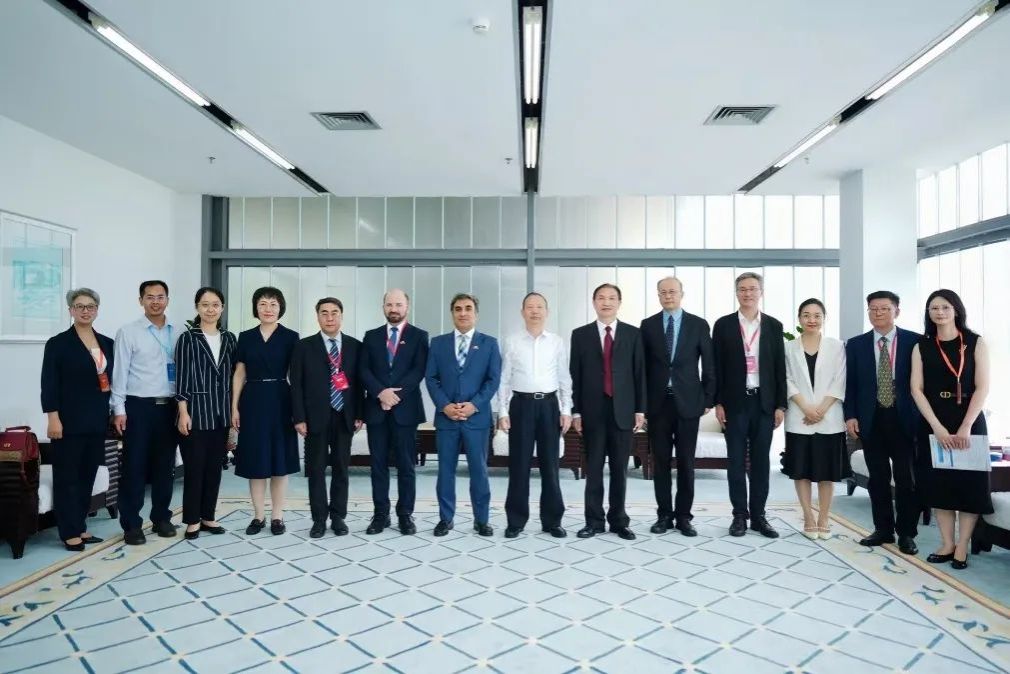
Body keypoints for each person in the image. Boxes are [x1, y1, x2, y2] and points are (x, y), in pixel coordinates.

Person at [911, 289, 992, 570]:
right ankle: (946, 543)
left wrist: (966, 426)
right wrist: (937, 428)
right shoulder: (922, 346)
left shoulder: (974, 342)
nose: (940, 312)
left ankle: (962, 545)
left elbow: (982, 387)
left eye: (945, 307)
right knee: (940, 485)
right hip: (935, 420)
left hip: (969, 419)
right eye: (934, 308)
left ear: (956, 310)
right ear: (928, 313)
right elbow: (916, 389)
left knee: (969, 486)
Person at [843, 290, 922, 555]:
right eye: (873, 309)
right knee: (877, 478)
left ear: (896, 311)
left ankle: (907, 533)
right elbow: (850, 384)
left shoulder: (915, 341)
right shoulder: (856, 344)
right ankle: (883, 529)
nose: (878, 313)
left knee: (906, 479)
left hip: (905, 419)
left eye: (884, 308)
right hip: (871, 418)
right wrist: (850, 415)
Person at [712, 272, 787, 539]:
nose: (747, 293)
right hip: (735, 402)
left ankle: (759, 516)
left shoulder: (774, 326)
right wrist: (718, 401)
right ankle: (739, 516)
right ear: (736, 293)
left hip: (764, 402)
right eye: (742, 289)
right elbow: (716, 366)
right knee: (735, 461)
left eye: (752, 289)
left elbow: (780, 368)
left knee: (760, 462)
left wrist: (780, 405)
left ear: (760, 292)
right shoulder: (723, 325)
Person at [40, 288, 114, 551]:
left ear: (97, 310)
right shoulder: (58, 343)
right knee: (67, 477)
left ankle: (80, 526)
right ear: (71, 310)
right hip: (67, 422)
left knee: (87, 476)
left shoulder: (107, 343)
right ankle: (69, 531)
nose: (85, 310)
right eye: (80, 306)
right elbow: (49, 384)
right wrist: (53, 418)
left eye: (90, 306)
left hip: (97, 421)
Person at [570, 283, 645, 540]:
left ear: (619, 303)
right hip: (592, 411)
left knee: (619, 469)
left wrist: (640, 409)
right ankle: (593, 521)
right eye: (601, 298)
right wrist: (576, 412)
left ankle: (619, 521)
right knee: (593, 469)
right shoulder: (580, 335)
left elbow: (639, 374)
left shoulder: (634, 334)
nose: (606, 302)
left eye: (612, 298)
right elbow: (575, 376)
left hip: (623, 410)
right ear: (594, 303)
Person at [640, 276, 714, 537]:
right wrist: (642, 404)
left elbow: (709, 363)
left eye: (672, 291)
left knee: (686, 462)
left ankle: (684, 517)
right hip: (658, 404)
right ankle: (664, 515)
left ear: (682, 293)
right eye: (663, 292)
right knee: (659, 463)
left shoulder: (698, 324)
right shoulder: (648, 325)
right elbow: (641, 368)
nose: (668, 296)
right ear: (658, 295)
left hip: (688, 403)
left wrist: (707, 399)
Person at [425, 293, 501, 537]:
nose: (463, 313)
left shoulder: (489, 343)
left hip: (476, 419)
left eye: (468, 308)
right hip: (446, 418)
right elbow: (431, 378)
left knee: (479, 471)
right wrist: (444, 406)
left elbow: (493, 380)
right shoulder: (438, 343)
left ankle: (482, 520)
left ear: (476, 314)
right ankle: (445, 519)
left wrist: (474, 405)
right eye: (458, 309)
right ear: (452, 313)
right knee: (445, 471)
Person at [498, 292, 572, 539]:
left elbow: (564, 378)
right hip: (521, 405)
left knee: (550, 465)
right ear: (522, 312)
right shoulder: (512, 341)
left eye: (539, 306)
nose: (535, 311)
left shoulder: (556, 342)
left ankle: (553, 521)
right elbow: (504, 379)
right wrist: (503, 411)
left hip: (549, 406)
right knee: (519, 465)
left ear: (546, 312)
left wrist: (566, 410)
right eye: (530, 307)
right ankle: (515, 520)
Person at [111, 280, 180, 545]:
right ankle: (131, 524)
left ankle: (161, 517)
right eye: (149, 297)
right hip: (138, 407)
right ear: (141, 301)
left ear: (167, 300)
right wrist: (119, 409)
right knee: (135, 467)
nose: (155, 302)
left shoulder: (178, 333)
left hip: (170, 407)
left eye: (160, 297)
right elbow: (119, 373)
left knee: (165, 466)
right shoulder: (129, 332)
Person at [291, 297, 363, 538]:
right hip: (314, 418)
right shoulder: (304, 346)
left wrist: (359, 413)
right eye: (324, 313)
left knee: (341, 469)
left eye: (334, 313)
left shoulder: (355, 346)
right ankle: (319, 519)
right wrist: (299, 417)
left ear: (341, 315)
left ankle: (338, 517)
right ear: (318, 316)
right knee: (316, 470)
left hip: (345, 416)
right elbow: (296, 385)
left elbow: (359, 384)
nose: (329, 317)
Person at [231, 287, 300, 536]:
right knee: (256, 461)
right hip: (252, 401)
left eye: (273, 304)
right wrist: (234, 407)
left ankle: (277, 516)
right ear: (255, 308)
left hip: (281, 400)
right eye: (262, 304)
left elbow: (296, 376)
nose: (268, 309)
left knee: (279, 462)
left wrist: (299, 410)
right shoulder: (245, 337)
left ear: (280, 308)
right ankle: (258, 516)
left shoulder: (291, 337)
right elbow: (239, 374)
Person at [360, 289, 429, 535]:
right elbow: (364, 370)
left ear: (407, 307)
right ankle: (381, 515)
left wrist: (394, 396)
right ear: (383, 307)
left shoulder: (419, 336)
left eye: (398, 304)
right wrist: (381, 393)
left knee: (406, 465)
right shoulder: (371, 336)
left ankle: (405, 515)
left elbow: (418, 370)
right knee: (377, 465)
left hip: (406, 410)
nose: (394, 309)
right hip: (376, 409)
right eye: (389, 304)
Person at [782, 299, 849, 540]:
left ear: (824, 318)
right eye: (806, 315)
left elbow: (840, 380)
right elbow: (787, 380)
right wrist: (806, 409)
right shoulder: (788, 347)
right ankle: (808, 517)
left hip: (829, 417)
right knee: (801, 471)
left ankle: (824, 518)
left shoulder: (836, 346)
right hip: (799, 417)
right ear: (799, 318)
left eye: (817, 315)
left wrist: (820, 410)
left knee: (827, 473)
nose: (812, 320)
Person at [174, 287, 236, 540]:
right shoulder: (188, 338)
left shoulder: (230, 338)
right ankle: (192, 520)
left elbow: (234, 377)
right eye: (205, 304)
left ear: (222, 308)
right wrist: (183, 412)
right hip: (196, 413)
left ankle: (208, 516)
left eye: (215, 304)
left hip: (221, 414)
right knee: (195, 469)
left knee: (214, 468)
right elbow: (181, 377)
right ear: (197, 307)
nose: (210, 309)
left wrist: (234, 412)